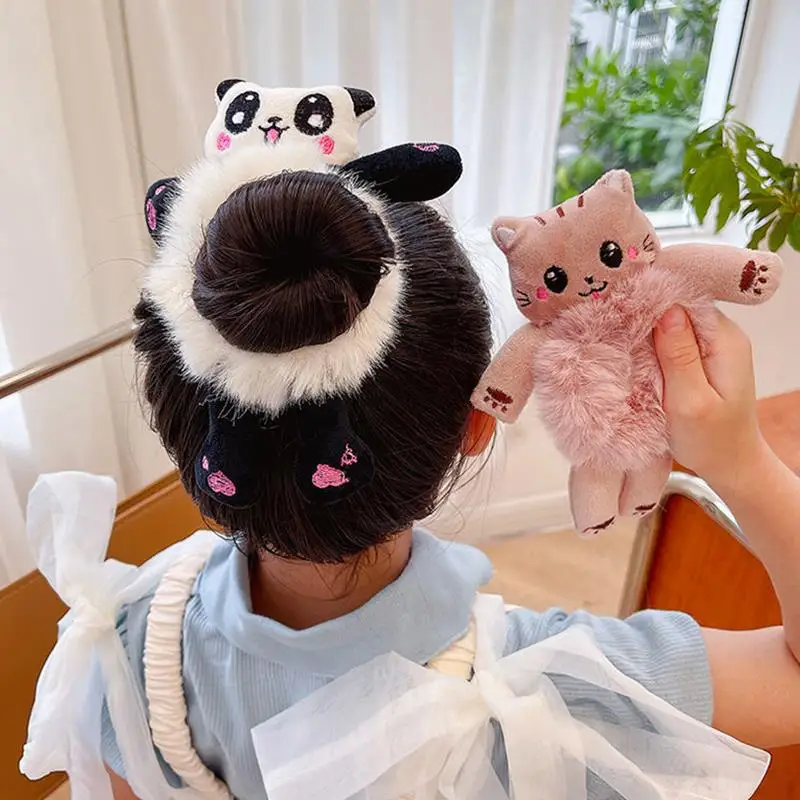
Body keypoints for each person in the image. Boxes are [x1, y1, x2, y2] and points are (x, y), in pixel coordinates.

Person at [20, 137, 800, 799]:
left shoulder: (123, 640)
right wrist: (742, 464)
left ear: (186, 431)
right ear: (477, 424)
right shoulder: (546, 693)